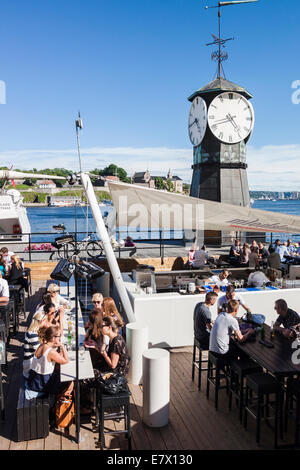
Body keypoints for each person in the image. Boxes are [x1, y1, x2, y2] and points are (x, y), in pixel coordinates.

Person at [25, 326, 73, 400]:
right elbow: (66, 361)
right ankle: (58, 402)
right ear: (54, 338)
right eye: (59, 336)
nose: (60, 338)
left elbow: (52, 356)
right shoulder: (50, 352)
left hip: (34, 380)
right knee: (69, 382)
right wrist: (62, 346)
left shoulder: (42, 345)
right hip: (42, 384)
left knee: (58, 371)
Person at [23, 311, 47, 378]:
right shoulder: (32, 334)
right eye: (45, 320)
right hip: (30, 367)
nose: (47, 322)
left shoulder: (34, 331)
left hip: (32, 363)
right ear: (41, 321)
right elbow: (41, 352)